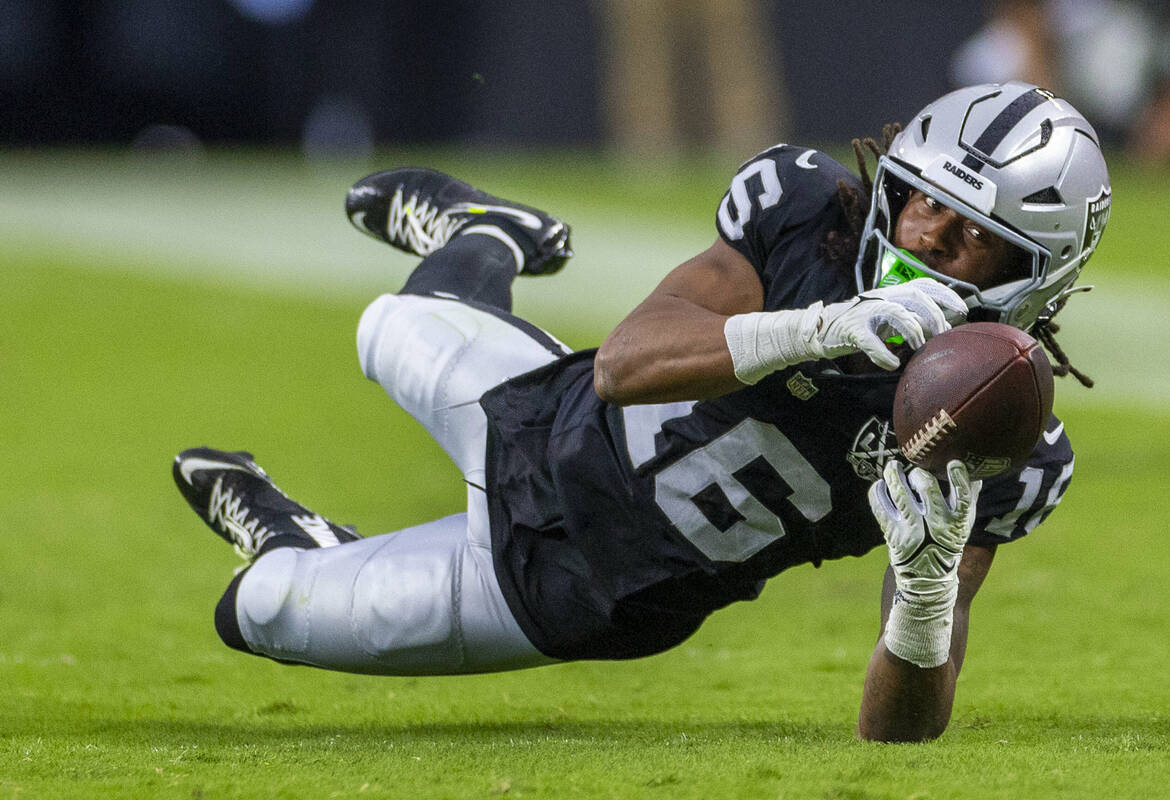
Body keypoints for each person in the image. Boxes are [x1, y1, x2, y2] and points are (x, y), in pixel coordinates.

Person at [173, 81, 1111, 742]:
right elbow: (626, 365)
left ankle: (308, 545)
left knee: (257, 610)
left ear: (1037, 277)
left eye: (973, 240)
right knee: (383, 326)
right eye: (920, 206)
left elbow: (895, 733)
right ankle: (490, 235)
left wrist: (926, 595)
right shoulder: (805, 214)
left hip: (559, 590)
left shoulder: (1002, 441)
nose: (925, 241)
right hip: (534, 410)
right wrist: (819, 326)